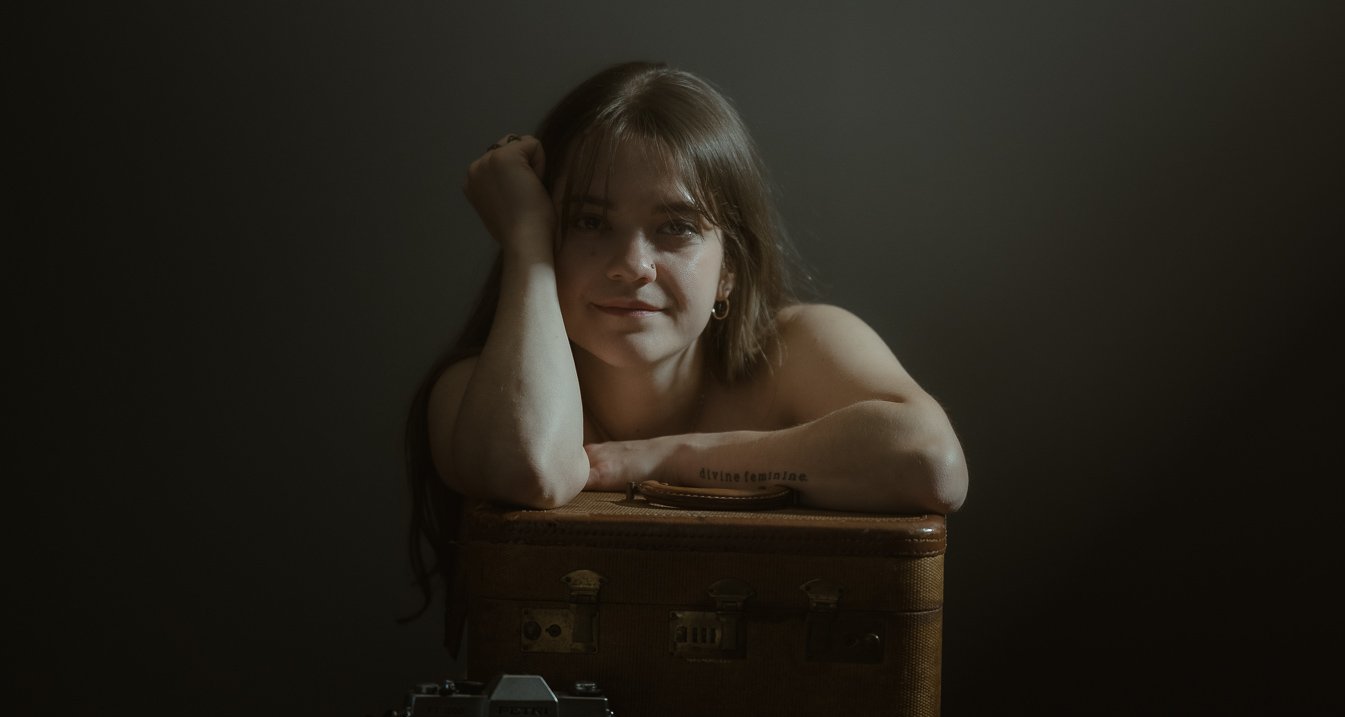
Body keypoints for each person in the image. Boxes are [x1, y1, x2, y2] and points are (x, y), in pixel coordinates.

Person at [405, 62, 967, 609]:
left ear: (729, 269)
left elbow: (930, 464)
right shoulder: (474, 392)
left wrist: (666, 459)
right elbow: (530, 469)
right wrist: (525, 240)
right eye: (588, 221)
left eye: (676, 227)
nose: (632, 265)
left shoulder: (798, 344)